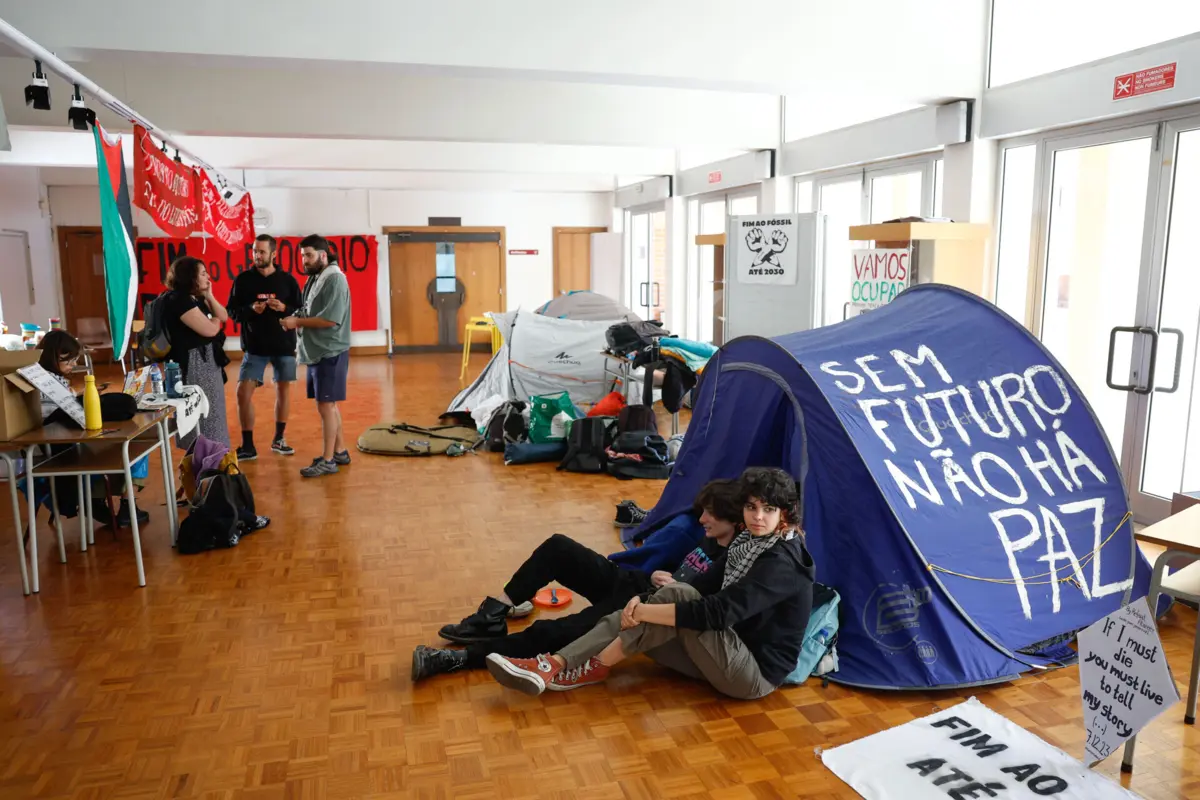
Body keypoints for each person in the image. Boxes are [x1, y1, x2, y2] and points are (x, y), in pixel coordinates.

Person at [485, 467, 814, 700]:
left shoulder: (783, 563)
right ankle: (558, 664)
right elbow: (701, 586)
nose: (758, 516)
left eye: (768, 509)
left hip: (751, 675)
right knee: (664, 602)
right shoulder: (747, 541)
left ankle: (582, 665)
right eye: (751, 507)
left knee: (667, 603)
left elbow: (717, 613)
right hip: (720, 650)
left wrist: (643, 611)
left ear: (785, 514)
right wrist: (640, 604)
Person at [412, 479, 742, 681]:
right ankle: (493, 614)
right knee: (559, 547)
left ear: (732, 517)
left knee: (555, 631)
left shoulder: (734, 561)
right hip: (635, 584)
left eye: (710, 514)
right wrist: (653, 574)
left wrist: (653, 600)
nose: (702, 519)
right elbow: (675, 574)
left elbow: (696, 610)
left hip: (638, 611)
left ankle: (458, 660)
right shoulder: (709, 538)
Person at [35, 331, 148, 526]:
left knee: (126, 426)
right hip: (64, 443)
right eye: (69, 361)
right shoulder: (43, 380)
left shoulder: (46, 377)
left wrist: (81, 396)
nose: (72, 366)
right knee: (130, 432)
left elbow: (62, 405)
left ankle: (105, 500)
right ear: (54, 355)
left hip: (67, 435)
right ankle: (121, 502)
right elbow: (57, 411)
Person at [281, 235, 351, 478]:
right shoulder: (315, 277)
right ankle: (340, 451)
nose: (304, 260)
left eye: (308, 255)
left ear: (324, 254)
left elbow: (331, 319)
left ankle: (329, 460)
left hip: (329, 351)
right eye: (302, 256)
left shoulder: (335, 280)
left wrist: (296, 322)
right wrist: (290, 314)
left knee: (326, 406)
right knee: (328, 405)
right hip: (317, 351)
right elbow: (310, 309)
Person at [228, 234, 302, 461]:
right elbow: (232, 312)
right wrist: (251, 309)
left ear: (273, 254)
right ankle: (248, 445)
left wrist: (284, 307)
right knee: (242, 393)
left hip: (284, 346)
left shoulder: (287, 280)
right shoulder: (243, 280)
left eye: (261, 252)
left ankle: (279, 439)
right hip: (255, 347)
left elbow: (300, 312)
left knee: (283, 391)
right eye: (254, 251)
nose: (257, 256)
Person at [161, 255, 231, 448]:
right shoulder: (178, 300)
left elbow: (223, 315)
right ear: (189, 277)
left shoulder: (194, 298)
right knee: (204, 417)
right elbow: (211, 329)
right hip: (195, 366)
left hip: (206, 363)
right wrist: (215, 322)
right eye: (202, 273)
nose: (208, 276)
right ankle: (206, 461)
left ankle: (213, 458)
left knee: (213, 413)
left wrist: (209, 296)